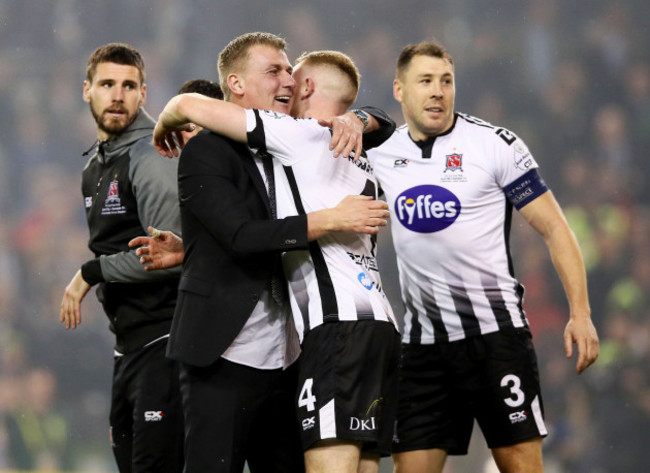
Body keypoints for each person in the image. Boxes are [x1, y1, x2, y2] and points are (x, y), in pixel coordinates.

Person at [129, 32, 392, 473]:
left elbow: (383, 119)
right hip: (223, 353)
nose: (289, 80)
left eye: (290, 70)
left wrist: (360, 117)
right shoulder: (207, 150)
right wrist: (329, 219)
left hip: (289, 355)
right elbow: (239, 235)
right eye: (275, 71)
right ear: (236, 84)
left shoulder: (292, 143)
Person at [365, 41, 600, 473]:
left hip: (495, 340)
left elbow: (555, 229)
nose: (438, 91)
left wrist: (580, 313)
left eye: (446, 81)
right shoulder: (378, 155)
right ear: (400, 90)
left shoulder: (495, 146)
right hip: (423, 347)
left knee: (521, 466)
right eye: (425, 81)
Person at [59, 43, 184, 473]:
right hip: (128, 347)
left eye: (129, 86)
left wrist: (90, 272)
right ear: (86, 90)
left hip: (166, 340)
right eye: (107, 84)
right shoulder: (93, 167)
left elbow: (172, 255)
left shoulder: (152, 158)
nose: (118, 95)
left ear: (143, 94)